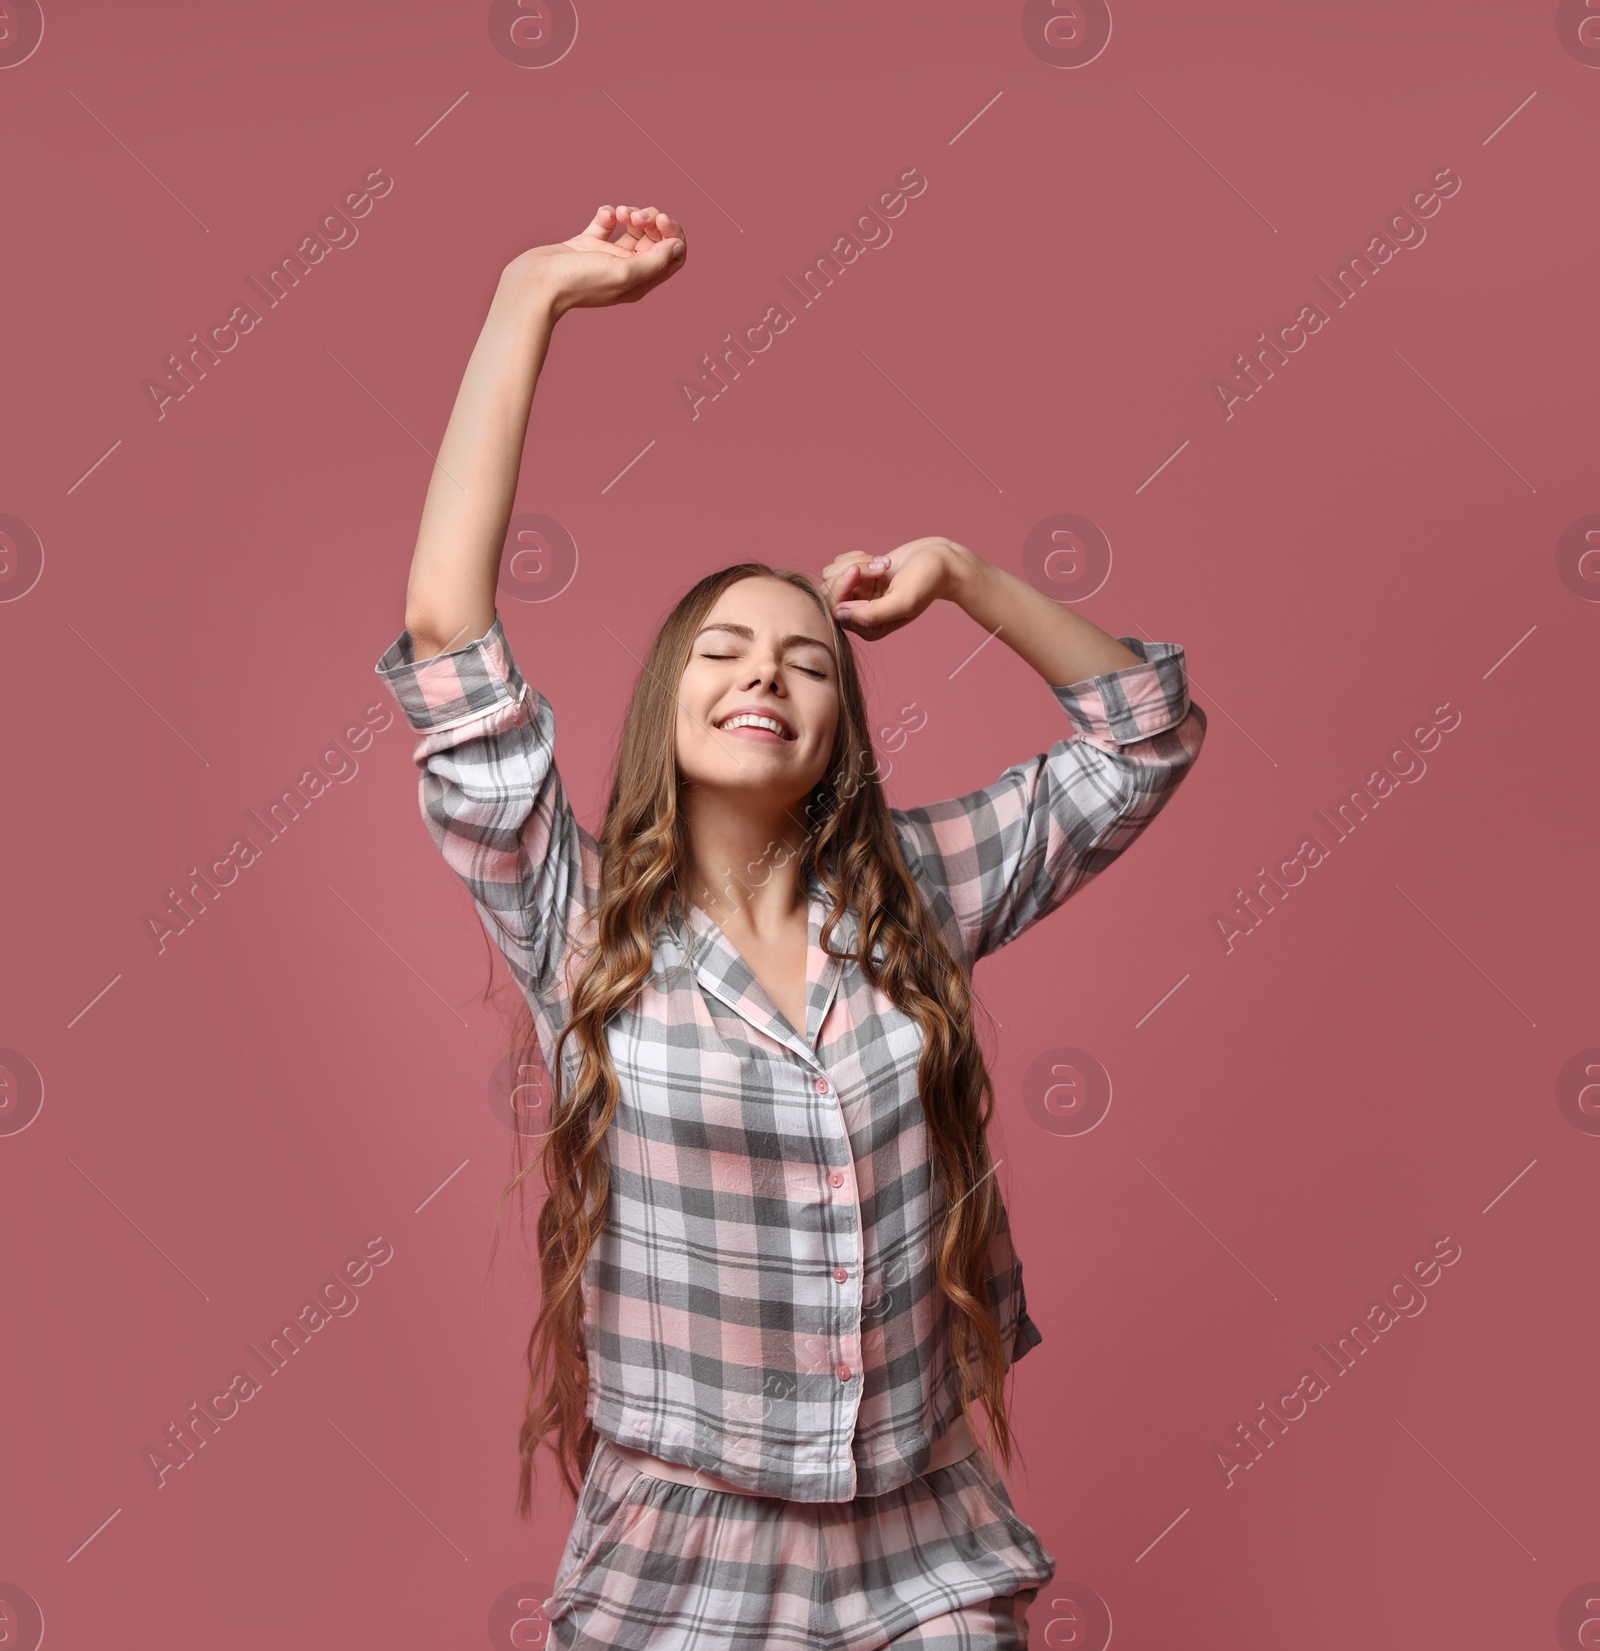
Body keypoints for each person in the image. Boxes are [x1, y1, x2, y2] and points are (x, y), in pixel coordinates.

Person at [374, 204, 1207, 1650]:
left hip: (920, 1524)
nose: (769, 676)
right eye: (728, 650)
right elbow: (449, 627)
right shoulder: (575, 919)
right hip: (687, 1540)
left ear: (838, 723)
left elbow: (1141, 735)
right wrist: (531, 300)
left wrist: (961, 576)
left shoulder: (917, 893)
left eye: (809, 661)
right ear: (667, 700)